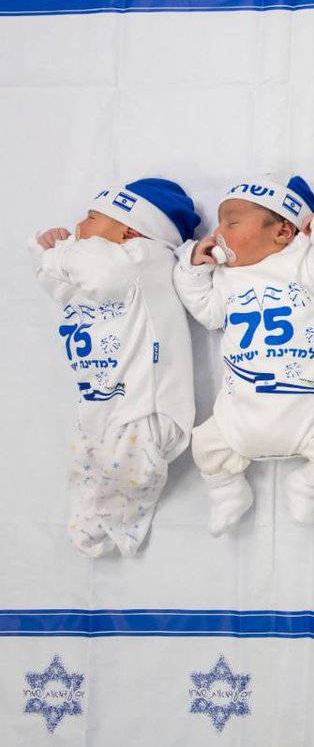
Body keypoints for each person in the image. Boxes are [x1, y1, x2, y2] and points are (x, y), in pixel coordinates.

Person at [173, 176, 314, 535]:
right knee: (206, 445)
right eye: (218, 223)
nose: (219, 233)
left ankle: (306, 485)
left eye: (231, 222)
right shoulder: (227, 278)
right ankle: (228, 492)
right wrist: (193, 271)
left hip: (311, 414)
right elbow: (207, 312)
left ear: (281, 233)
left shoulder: (306, 268)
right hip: (238, 414)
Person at [32, 178, 200, 557]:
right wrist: (46, 253)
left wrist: (59, 254)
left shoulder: (145, 257)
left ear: (128, 230)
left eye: (91, 218)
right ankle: (87, 522)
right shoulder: (96, 266)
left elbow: (98, 272)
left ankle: (122, 528)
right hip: (98, 402)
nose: (79, 227)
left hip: (144, 405)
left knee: (129, 468)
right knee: (83, 464)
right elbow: (59, 285)